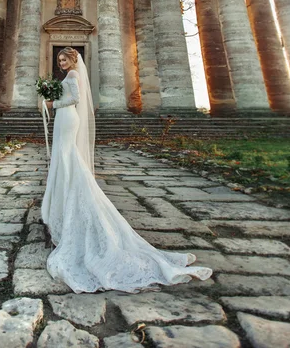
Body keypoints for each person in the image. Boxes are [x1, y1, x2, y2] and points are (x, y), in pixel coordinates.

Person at [41, 47, 212, 293]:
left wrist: (51, 102)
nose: (61, 62)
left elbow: (75, 99)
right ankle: (63, 205)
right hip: (64, 119)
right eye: (59, 59)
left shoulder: (73, 76)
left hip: (67, 118)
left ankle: (69, 206)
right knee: (66, 158)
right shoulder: (67, 77)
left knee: (69, 159)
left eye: (65, 58)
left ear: (74, 59)